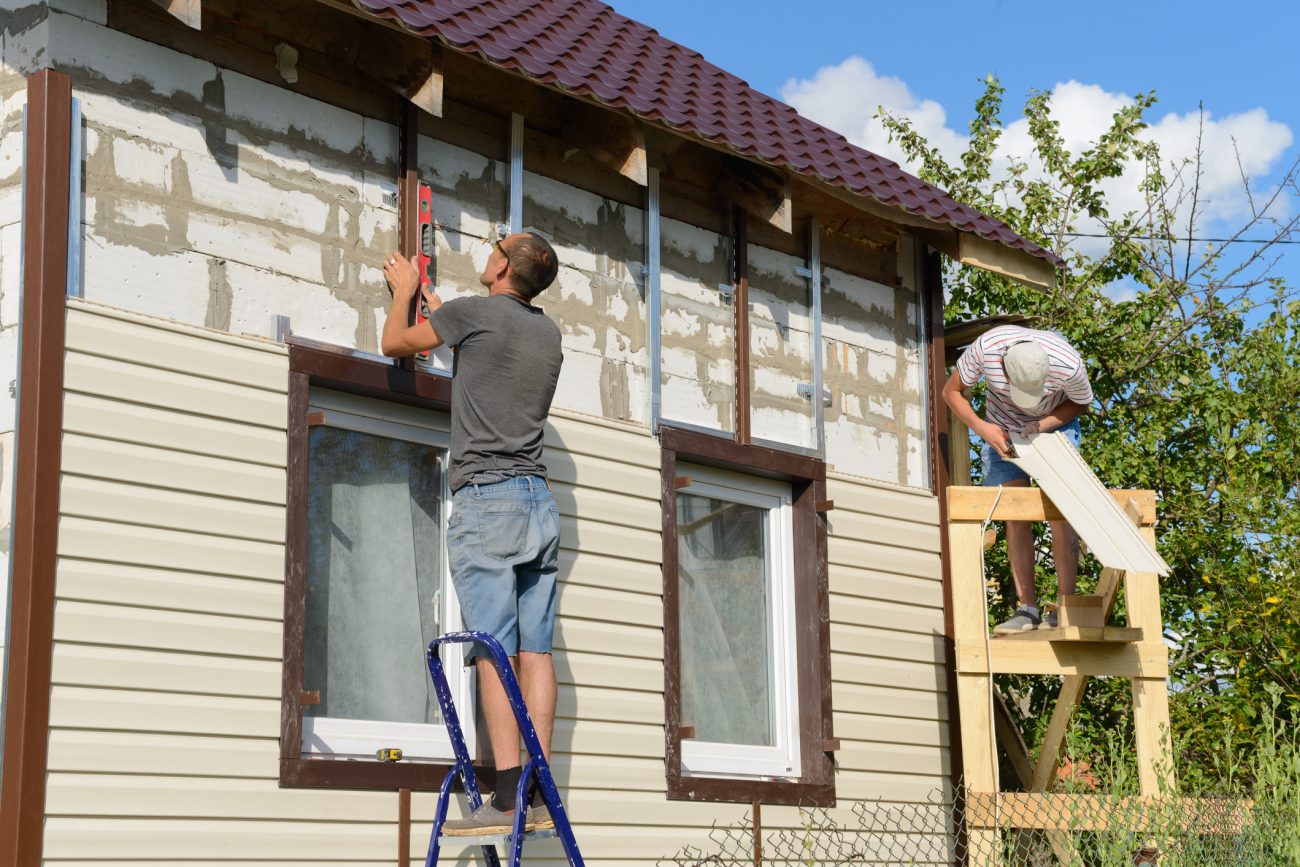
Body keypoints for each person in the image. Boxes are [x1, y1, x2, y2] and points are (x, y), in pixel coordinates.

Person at [380, 232, 564, 834]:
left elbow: (395, 342)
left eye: (497, 247)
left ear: (505, 265)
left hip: (489, 502)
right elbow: (478, 341)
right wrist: (440, 306)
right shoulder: (546, 334)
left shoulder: (472, 314)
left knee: (493, 650)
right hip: (540, 505)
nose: (489, 251)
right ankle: (534, 793)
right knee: (535, 652)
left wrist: (406, 294)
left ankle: (506, 798)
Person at [942, 324, 1093, 633]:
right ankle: (1027, 609)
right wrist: (983, 428)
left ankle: (1066, 605)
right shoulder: (986, 350)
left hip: (1054, 426)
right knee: (1015, 511)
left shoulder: (1069, 363)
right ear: (1005, 371)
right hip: (1001, 430)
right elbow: (951, 392)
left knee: (1061, 509)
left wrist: (1044, 423)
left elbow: (1081, 402)